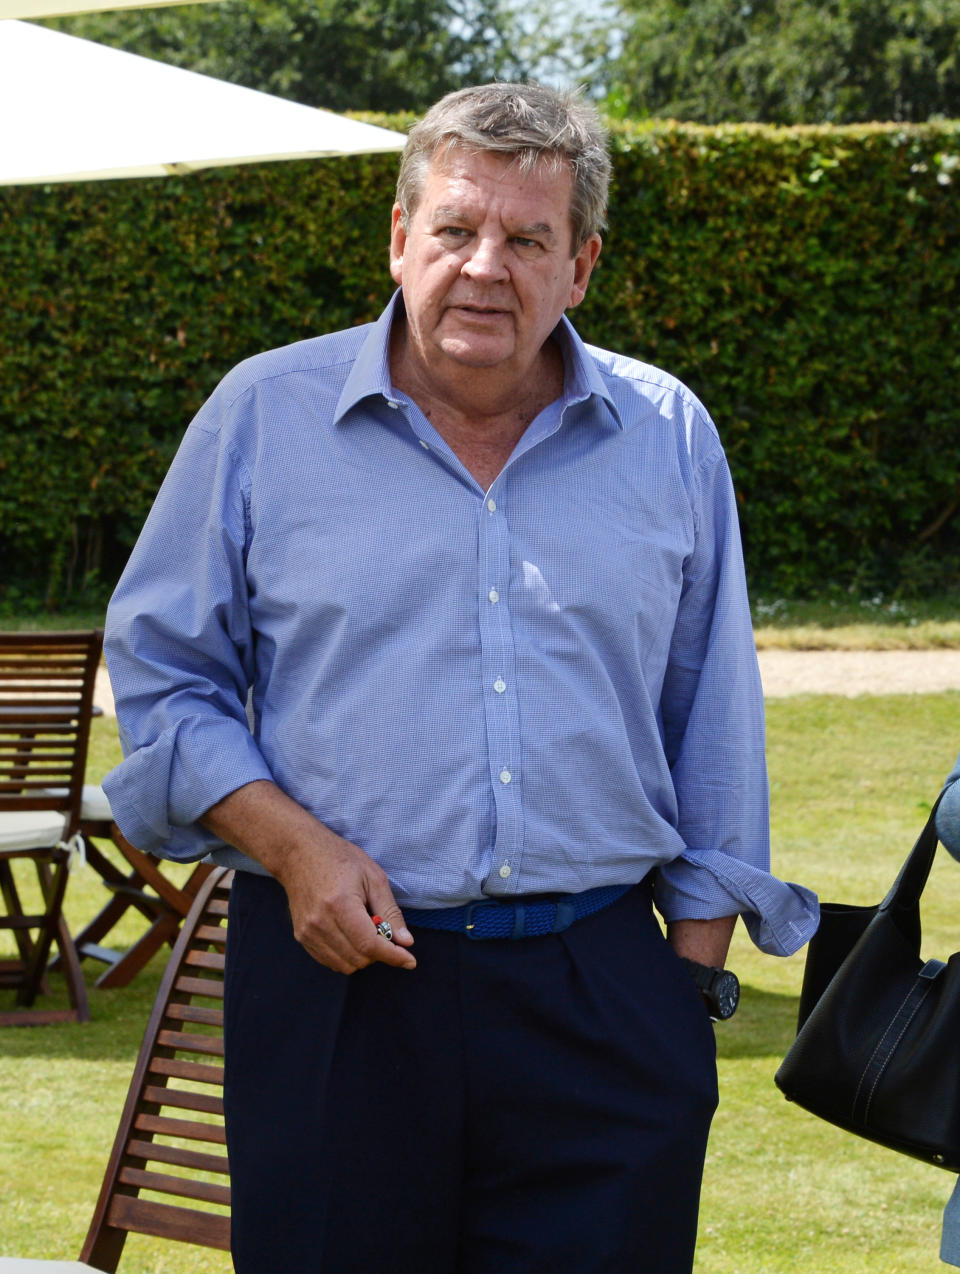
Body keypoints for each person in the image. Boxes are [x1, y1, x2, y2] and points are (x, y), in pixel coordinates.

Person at [103, 81, 818, 1274]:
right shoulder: (260, 419)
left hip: (603, 991)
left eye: (528, 238)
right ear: (399, 238)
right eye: (454, 228)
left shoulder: (670, 434)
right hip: (342, 983)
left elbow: (714, 725)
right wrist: (293, 845)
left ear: (580, 264)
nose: (486, 265)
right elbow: (168, 681)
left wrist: (682, 997)